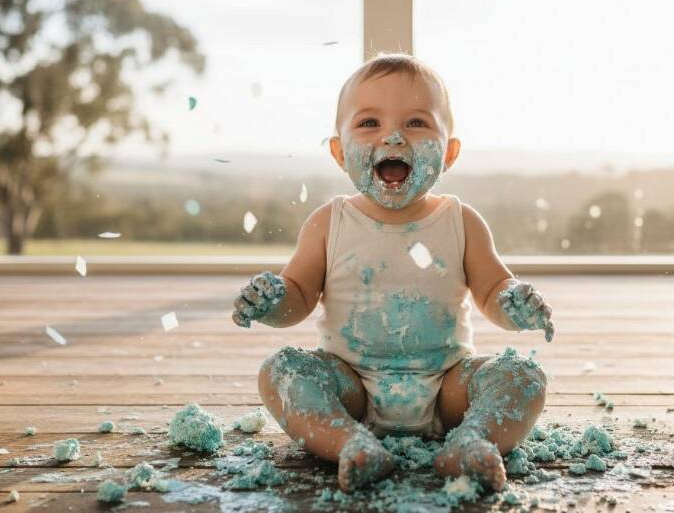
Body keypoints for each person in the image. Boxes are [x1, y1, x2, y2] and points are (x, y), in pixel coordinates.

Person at [232, 53, 553, 492]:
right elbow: (299, 296)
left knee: (522, 376)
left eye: (418, 123)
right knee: (281, 372)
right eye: (369, 124)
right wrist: (272, 302)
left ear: (451, 151)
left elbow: (493, 288)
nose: (395, 136)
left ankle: (471, 439)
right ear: (339, 152)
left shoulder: (462, 222)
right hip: (351, 388)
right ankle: (351, 442)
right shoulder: (330, 223)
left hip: (447, 389)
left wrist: (514, 303)